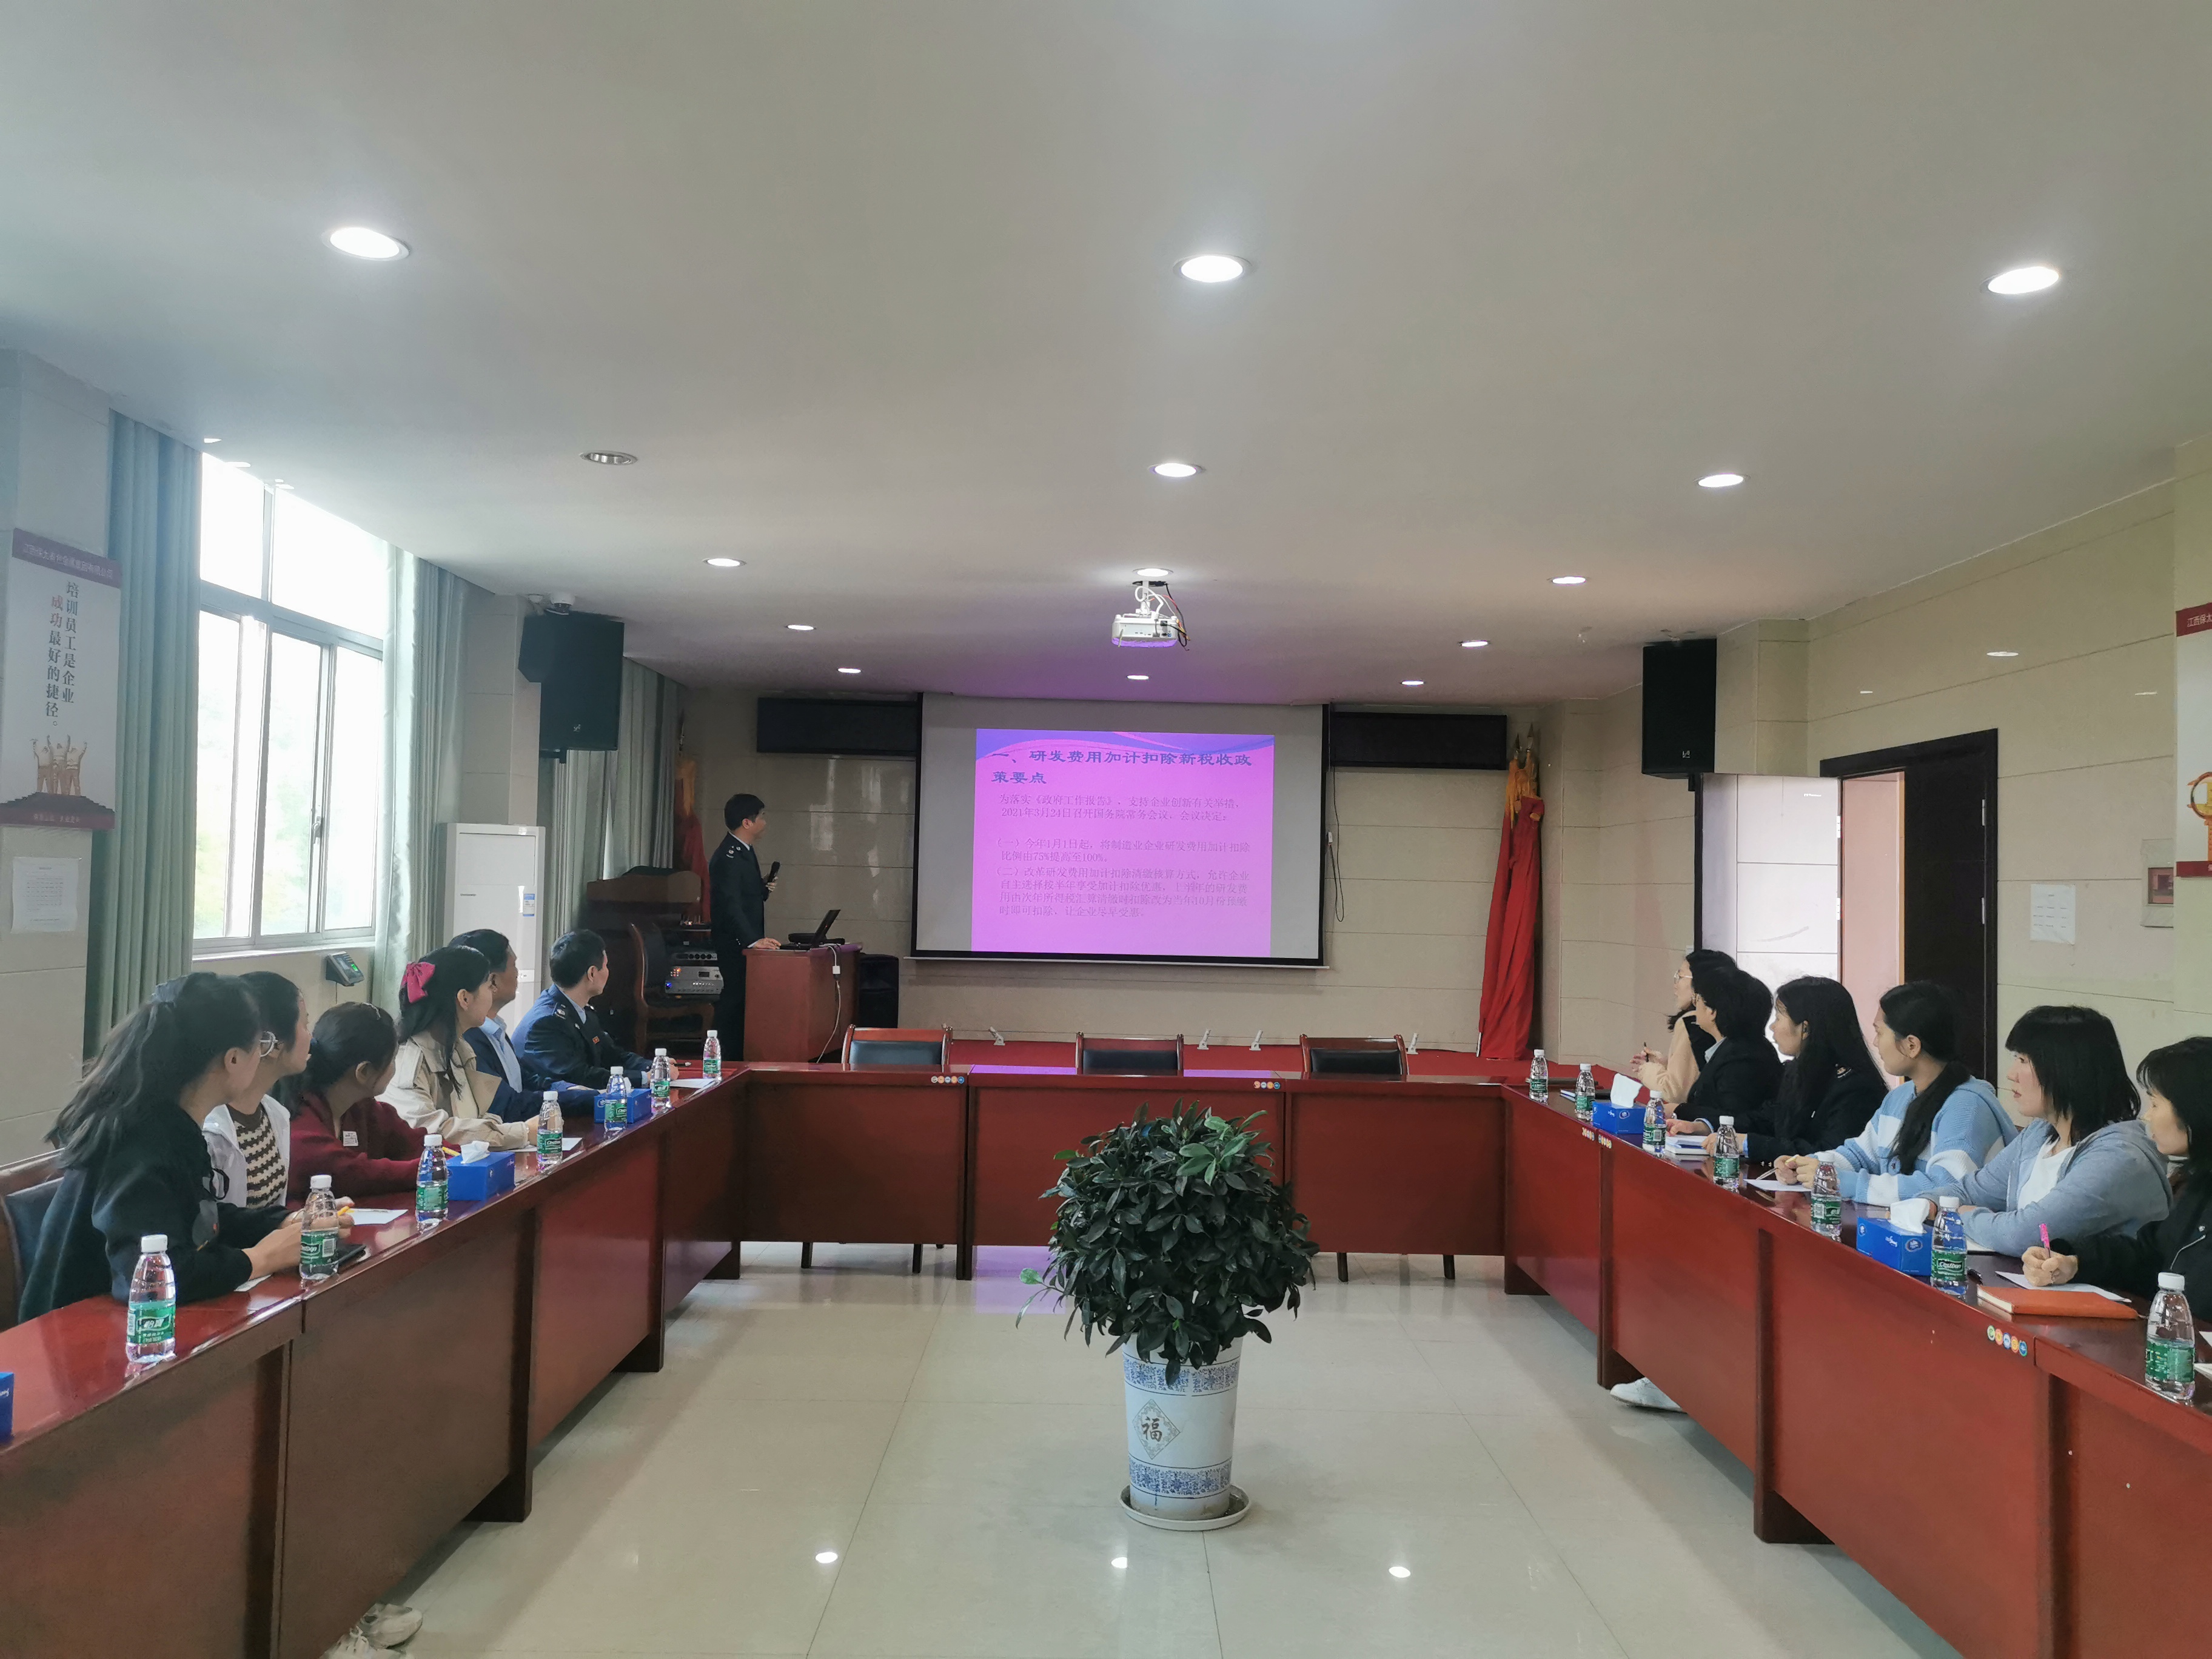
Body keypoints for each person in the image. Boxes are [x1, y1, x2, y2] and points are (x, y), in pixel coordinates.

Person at [19, 974, 308, 1318]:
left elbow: (196, 1220)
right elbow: (154, 1276)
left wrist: (282, 1222)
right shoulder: (141, 1143)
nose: (262, 1056)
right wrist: (262, 1258)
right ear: (232, 1060)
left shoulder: (172, 1124)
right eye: (259, 1046)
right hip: (80, 1330)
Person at [1897, 1005, 2168, 1255]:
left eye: (2023, 1060)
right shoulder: (2040, 1133)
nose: (2011, 1074)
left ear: (2065, 1068)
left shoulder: (2119, 1157)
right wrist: (1932, 1202)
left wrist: (1959, 1216)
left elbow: (2026, 1235)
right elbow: (1975, 1189)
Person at [1773, 980, 2013, 1205]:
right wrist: (1808, 1165)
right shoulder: (1901, 1097)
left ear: (1911, 1045)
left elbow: (1947, 1189)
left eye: (1879, 1032)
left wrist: (1844, 1182)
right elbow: (1860, 1155)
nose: (1875, 1043)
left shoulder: (1967, 1108)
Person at [2026, 1036, 2212, 1316]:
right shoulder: (2200, 1183)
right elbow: (2150, 1256)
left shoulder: (2123, 1153)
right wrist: (2074, 1263)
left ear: (2194, 1109)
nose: (2147, 1117)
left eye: (2155, 1103)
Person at [387, 946, 534, 1151]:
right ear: (465, 998)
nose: (492, 993)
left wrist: (504, 1131)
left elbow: (474, 1117)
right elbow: (430, 1133)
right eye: (488, 986)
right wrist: (522, 1132)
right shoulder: (408, 1061)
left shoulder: (456, 1049)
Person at [1729, 976, 1884, 1166]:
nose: (1772, 1027)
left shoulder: (1855, 1088)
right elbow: (1768, 1119)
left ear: (1805, 1029)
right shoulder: (1796, 1070)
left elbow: (1829, 1153)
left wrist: (1750, 1144)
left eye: (1778, 1018)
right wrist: (1711, 1126)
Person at [450, 927, 595, 1121]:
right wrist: (581, 1099)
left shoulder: (495, 1029)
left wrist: (568, 1089)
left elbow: (523, 1079)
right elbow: (509, 1105)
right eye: (513, 965)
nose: (517, 973)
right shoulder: (467, 1039)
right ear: (492, 981)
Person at [287, 1002, 423, 1200]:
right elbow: (353, 1174)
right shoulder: (300, 1122)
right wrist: (429, 1169)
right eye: (393, 1059)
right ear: (364, 1072)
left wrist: (460, 1159)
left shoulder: (364, 1109)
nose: (395, 1067)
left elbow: (417, 1143)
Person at [203, 970, 307, 1210]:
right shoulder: (210, 1132)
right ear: (273, 1044)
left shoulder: (275, 1114)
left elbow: (272, 1213)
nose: (311, 1037)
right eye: (305, 1024)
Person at [516, 928, 652, 1090]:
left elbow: (611, 1055)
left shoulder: (581, 1010)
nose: (608, 972)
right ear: (592, 973)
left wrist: (653, 1067)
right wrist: (643, 1078)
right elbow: (578, 1077)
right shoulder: (547, 1023)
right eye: (606, 966)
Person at [1667, 967, 1783, 1138]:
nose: (1695, 1005)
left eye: (1698, 999)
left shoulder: (1744, 1058)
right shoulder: (1735, 1048)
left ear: (1712, 1011)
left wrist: (1680, 1110)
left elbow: (1735, 1118)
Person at [709, 791, 782, 1053]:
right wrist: (752, 941)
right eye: (761, 816)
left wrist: (761, 888)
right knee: (735, 997)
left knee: (744, 999)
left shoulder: (744, 850)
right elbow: (729, 904)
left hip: (746, 939)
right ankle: (722, 1054)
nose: (765, 821)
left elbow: (744, 894)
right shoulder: (728, 855)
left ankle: (737, 1054)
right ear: (747, 822)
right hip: (735, 942)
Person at [1631, 950, 1737, 1108]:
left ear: (1700, 983)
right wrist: (1667, 1064)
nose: (1675, 985)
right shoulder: (1730, 1018)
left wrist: (1646, 1070)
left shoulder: (1692, 1022)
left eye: (1680, 977)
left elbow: (1675, 1092)